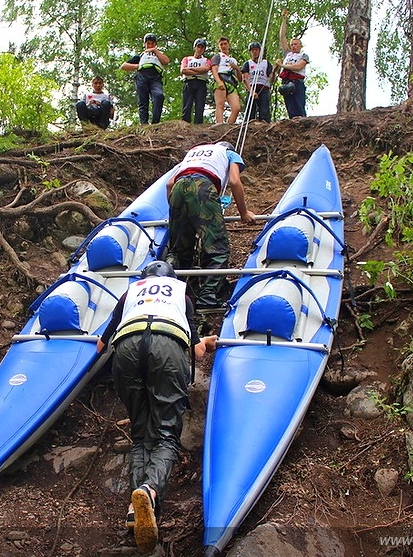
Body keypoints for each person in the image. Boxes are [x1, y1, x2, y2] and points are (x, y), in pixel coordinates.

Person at [96, 260, 218, 554]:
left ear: (144, 278)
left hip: (125, 350)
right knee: (165, 435)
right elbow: (196, 352)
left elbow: (101, 345)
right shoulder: (182, 295)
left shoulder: (129, 295)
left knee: (140, 434)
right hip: (166, 348)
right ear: (170, 279)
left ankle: (133, 507)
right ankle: (150, 491)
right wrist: (208, 343)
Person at [165, 141, 256, 309]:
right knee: (217, 248)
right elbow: (234, 181)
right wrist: (244, 213)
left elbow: (169, 184)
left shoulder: (194, 151)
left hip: (178, 188)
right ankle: (208, 298)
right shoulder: (229, 153)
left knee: (179, 250)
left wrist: (176, 213)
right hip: (203, 186)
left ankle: (166, 293)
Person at [121, 33, 170, 124]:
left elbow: (166, 61)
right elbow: (124, 66)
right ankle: (144, 124)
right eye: (148, 43)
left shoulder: (159, 54)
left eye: (152, 43)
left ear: (155, 44)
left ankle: (155, 123)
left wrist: (155, 51)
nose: (150, 45)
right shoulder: (140, 55)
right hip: (142, 76)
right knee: (143, 101)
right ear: (145, 44)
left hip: (155, 77)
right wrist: (138, 65)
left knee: (159, 96)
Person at [275, 9, 310, 118]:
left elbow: (298, 67)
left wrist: (282, 66)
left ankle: (303, 123)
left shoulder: (303, 56)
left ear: (300, 46)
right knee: (290, 107)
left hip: (297, 82)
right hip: (286, 82)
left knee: (299, 105)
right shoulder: (288, 54)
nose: (293, 46)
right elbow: (282, 37)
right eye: (292, 44)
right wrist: (284, 19)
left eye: (296, 44)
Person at [210, 37, 243, 124]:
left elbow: (240, 79)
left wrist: (237, 68)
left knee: (236, 108)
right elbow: (214, 69)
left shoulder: (233, 60)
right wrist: (219, 81)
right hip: (221, 78)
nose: (223, 46)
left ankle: (228, 126)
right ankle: (219, 124)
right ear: (219, 46)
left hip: (232, 83)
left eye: (225, 44)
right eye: (221, 44)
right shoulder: (218, 56)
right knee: (220, 105)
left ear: (229, 45)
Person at [180, 38, 211, 124]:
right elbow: (183, 70)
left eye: (202, 48)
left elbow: (206, 69)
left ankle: (198, 125)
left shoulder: (206, 60)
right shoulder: (187, 59)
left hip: (201, 83)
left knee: (200, 106)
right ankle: (185, 124)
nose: (200, 49)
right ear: (195, 48)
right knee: (187, 105)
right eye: (198, 47)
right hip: (189, 82)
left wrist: (190, 69)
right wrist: (198, 70)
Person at [241, 42, 273, 123]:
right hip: (252, 88)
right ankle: (249, 125)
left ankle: (264, 125)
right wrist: (251, 91)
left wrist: (274, 73)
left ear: (260, 51)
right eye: (252, 50)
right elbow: (245, 79)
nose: (254, 52)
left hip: (264, 88)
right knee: (250, 110)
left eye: (256, 50)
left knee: (264, 110)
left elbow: (271, 78)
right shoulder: (247, 64)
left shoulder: (266, 63)